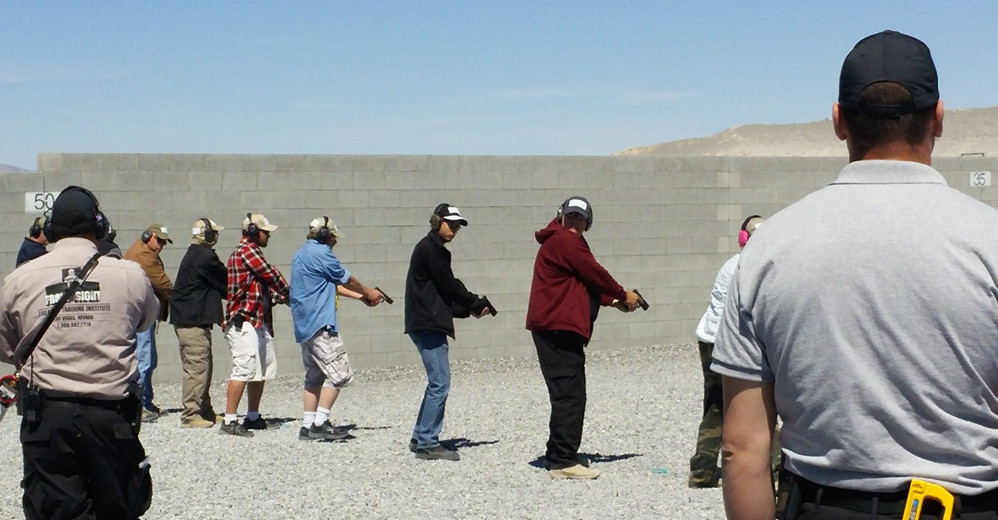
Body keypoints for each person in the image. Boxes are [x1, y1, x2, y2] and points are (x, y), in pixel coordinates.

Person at [714, 30, 998, 520]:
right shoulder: (989, 239)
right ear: (939, 118)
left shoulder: (768, 249)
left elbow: (742, 448)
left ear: (839, 121)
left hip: (824, 506)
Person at [0, 186, 158, 519]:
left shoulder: (19, 279)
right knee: (117, 508)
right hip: (111, 416)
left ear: (52, 229)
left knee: (55, 510)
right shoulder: (130, 274)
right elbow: (145, 322)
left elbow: (7, 345)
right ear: (101, 226)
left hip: (47, 417)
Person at [525, 196, 641, 480]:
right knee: (570, 394)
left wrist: (614, 301)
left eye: (580, 218)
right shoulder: (566, 241)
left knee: (567, 393)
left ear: (587, 223)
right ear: (561, 216)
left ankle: (559, 452)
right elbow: (595, 273)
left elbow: (584, 282)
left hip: (556, 327)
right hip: (558, 328)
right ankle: (563, 461)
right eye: (571, 216)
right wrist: (623, 293)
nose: (575, 222)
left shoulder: (563, 242)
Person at [404, 203, 492, 461]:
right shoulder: (432, 250)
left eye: (457, 226)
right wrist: (474, 301)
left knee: (436, 383)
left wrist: (469, 310)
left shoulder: (431, 249)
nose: (454, 229)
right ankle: (428, 443)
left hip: (426, 321)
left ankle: (420, 436)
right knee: (440, 383)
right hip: (427, 324)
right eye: (450, 224)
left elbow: (440, 294)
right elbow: (450, 286)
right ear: (436, 221)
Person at [290, 216, 384, 441]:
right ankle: (320, 423)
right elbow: (346, 278)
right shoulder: (322, 254)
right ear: (325, 235)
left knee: (314, 377)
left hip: (305, 327)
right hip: (321, 325)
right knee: (340, 374)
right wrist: (368, 291)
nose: (334, 241)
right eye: (333, 236)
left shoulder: (302, 254)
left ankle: (308, 424)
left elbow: (331, 284)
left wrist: (361, 297)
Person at [688, 215, 765, 488]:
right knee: (765, 405)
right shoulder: (755, 267)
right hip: (731, 343)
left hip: (709, 339)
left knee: (716, 407)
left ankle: (702, 471)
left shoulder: (732, 263)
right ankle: (777, 475)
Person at [220, 212, 290, 437]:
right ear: (252, 231)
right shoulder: (247, 251)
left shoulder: (252, 253)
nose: (268, 235)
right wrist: (291, 294)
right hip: (244, 321)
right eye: (264, 231)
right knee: (243, 368)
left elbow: (265, 290)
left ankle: (252, 416)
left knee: (259, 370)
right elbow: (271, 275)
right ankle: (229, 420)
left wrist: (284, 298)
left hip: (256, 320)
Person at [169, 218, 227, 428]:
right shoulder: (204, 256)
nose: (217, 236)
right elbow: (226, 282)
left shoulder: (196, 253)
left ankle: (205, 410)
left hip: (193, 321)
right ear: (208, 235)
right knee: (196, 367)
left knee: (203, 366)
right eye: (215, 233)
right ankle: (190, 415)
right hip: (191, 322)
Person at [124, 223, 174, 422]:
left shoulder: (143, 250)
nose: (161, 245)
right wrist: (181, 298)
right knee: (144, 360)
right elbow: (162, 282)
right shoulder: (144, 255)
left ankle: (146, 401)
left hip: (140, 314)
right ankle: (140, 405)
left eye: (163, 242)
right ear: (148, 236)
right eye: (159, 240)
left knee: (147, 359)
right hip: (141, 315)